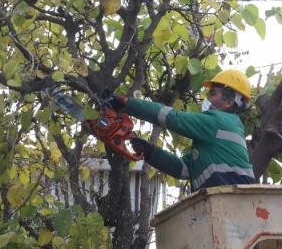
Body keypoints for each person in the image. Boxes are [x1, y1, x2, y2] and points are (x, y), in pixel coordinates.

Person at [106, 68, 257, 191]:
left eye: (212, 93)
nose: (207, 98)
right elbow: (184, 169)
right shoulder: (215, 137)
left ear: (229, 102)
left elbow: (174, 118)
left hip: (232, 200)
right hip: (227, 202)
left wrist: (127, 104)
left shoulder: (218, 121)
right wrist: (151, 152)